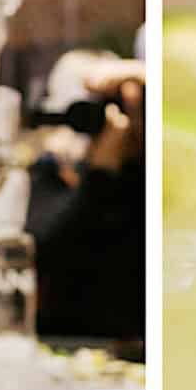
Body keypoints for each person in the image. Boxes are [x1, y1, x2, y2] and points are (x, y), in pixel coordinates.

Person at [25, 52, 147, 345]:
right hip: (65, 342)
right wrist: (101, 171)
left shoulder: (142, 177)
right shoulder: (49, 172)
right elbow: (49, 249)